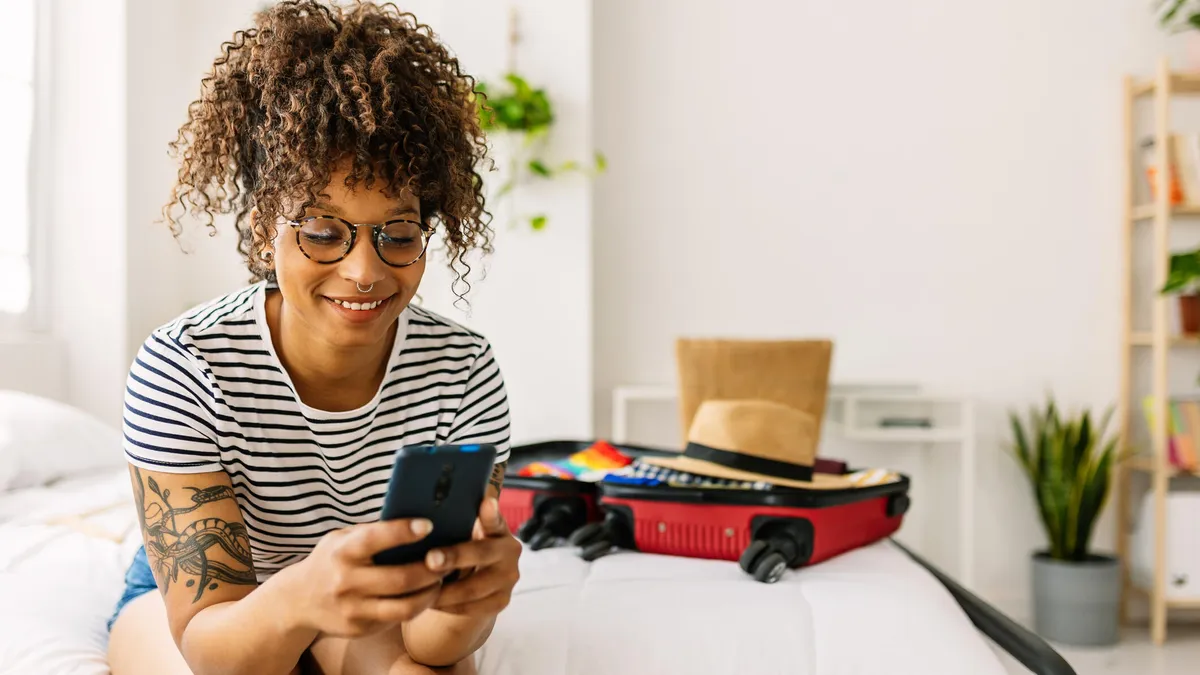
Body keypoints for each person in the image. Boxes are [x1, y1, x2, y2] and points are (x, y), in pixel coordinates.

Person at [105, 2, 520, 673]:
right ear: (266, 221)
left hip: (363, 595)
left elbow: (432, 646)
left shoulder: (461, 370)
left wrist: (471, 605)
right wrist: (302, 590)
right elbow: (215, 650)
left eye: (400, 233)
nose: (364, 270)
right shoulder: (185, 367)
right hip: (204, 610)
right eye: (323, 231)